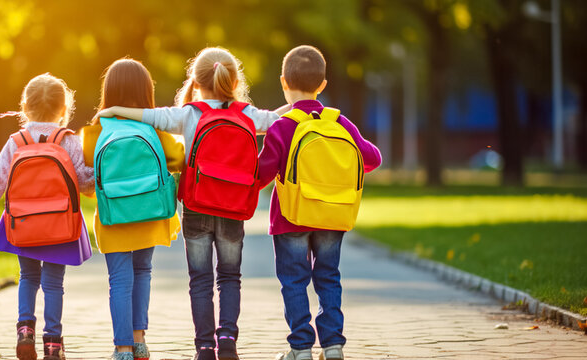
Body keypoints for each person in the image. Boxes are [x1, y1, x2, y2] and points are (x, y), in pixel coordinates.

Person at [96, 47, 290, 360]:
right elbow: (276, 120)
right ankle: (227, 338)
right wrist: (301, 104)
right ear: (233, 80)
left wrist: (114, 110)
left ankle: (204, 347)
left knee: (200, 279)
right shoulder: (247, 115)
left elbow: (151, 116)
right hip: (233, 207)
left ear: (195, 81)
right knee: (230, 276)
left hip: (198, 206)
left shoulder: (189, 114)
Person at [258, 45, 382, 360]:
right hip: (331, 215)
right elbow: (372, 158)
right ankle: (333, 344)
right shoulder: (339, 122)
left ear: (283, 82)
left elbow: (261, 174)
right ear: (322, 85)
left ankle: (300, 348)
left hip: (291, 218)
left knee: (294, 280)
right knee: (328, 276)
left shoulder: (282, 126)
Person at [0, 73, 95, 360]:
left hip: (23, 223)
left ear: (25, 108)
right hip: (61, 225)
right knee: (54, 283)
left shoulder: (16, 142)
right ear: (64, 110)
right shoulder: (69, 141)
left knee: (28, 276)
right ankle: (53, 343)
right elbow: (84, 180)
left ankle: (24, 330)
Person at [80, 58, 184, 360]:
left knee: (119, 281)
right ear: (146, 92)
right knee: (143, 272)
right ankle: (139, 340)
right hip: (150, 214)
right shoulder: (151, 126)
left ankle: (122, 348)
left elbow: (89, 172)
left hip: (113, 218)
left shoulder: (97, 130)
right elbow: (178, 157)